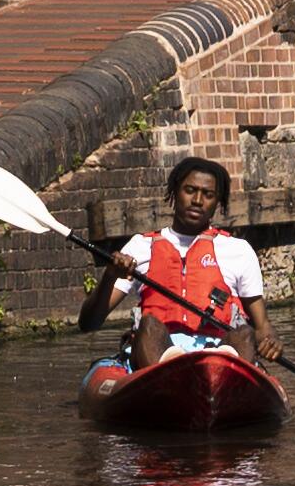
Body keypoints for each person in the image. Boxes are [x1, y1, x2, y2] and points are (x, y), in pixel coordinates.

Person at [83, 156, 267, 368]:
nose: (197, 200)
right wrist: (110, 276)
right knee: (149, 325)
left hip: (217, 355)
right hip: (158, 354)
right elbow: (88, 323)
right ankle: (170, 376)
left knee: (244, 333)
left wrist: (270, 341)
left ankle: (223, 378)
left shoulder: (238, 250)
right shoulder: (140, 247)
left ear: (218, 202)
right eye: (189, 190)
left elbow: (263, 328)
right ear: (175, 191)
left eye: (208, 195)